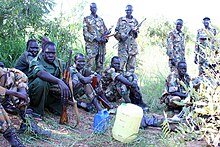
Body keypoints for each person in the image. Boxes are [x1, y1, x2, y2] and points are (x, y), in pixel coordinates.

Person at [0, 62, 50, 146]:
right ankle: (12, 139)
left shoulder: (4, 72)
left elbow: (17, 74)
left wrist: (22, 91)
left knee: (12, 80)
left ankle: (27, 123)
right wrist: (16, 94)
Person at [28, 41, 71, 116]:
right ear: (43, 52)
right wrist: (59, 81)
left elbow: (71, 69)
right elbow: (41, 73)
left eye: (53, 53)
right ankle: (36, 109)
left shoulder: (58, 62)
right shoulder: (36, 61)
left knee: (69, 84)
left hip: (50, 93)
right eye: (48, 53)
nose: (51, 55)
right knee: (41, 82)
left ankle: (51, 106)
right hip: (36, 94)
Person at [83, 2, 108, 74]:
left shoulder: (101, 19)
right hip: (91, 46)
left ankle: (98, 83)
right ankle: (87, 82)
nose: (94, 9)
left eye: (95, 7)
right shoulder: (86, 19)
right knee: (89, 65)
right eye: (92, 7)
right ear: (90, 9)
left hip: (101, 46)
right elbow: (85, 33)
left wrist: (105, 39)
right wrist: (95, 38)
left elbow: (106, 31)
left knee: (100, 65)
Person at [114, 4, 139, 72]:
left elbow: (136, 35)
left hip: (132, 47)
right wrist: (121, 36)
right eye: (127, 10)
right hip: (122, 47)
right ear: (125, 11)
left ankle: (129, 81)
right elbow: (115, 32)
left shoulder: (135, 21)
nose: (128, 12)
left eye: (130, 10)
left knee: (131, 68)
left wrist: (134, 31)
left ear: (132, 11)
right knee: (120, 66)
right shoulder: (121, 20)